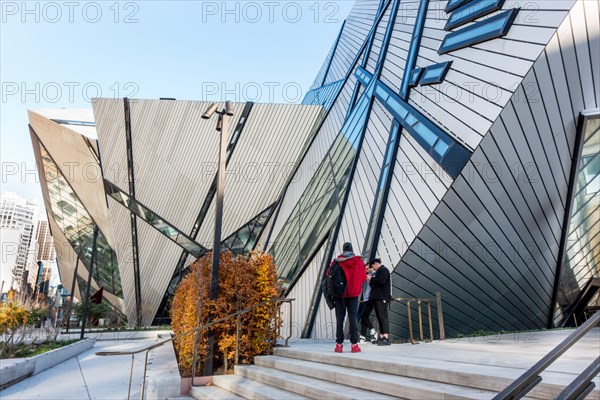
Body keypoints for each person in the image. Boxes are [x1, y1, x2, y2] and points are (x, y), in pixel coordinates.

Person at [332, 242, 366, 353]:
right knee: (352, 319)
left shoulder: (336, 262)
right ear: (352, 249)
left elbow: (329, 275)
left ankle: (339, 345)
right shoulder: (359, 262)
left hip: (340, 295)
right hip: (353, 295)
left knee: (339, 319)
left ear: (343, 250)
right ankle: (354, 345)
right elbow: (363, 278)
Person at [367, 258, 391, 346]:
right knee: (379, 317)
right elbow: (375, 284)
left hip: (382, 297)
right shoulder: (378, 272)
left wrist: (371, 279)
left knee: (383, 317)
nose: (373, 268)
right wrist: (370, 280)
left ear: (376, 263)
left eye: (373, 266)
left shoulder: (384, 270)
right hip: (377, 297)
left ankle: (386, 338)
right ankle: (381, 337)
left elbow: (381, 282)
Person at [359, 265, 378, 344]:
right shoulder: (365, 276)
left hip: (371, 298)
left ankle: (373, 331)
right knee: (364, 317)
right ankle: (363, 337)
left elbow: (376, 277)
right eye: (365, 269)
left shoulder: (374, 274)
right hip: (365, 299)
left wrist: (372, 272)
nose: (366, 270)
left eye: (368, 269)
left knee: (364, 316)